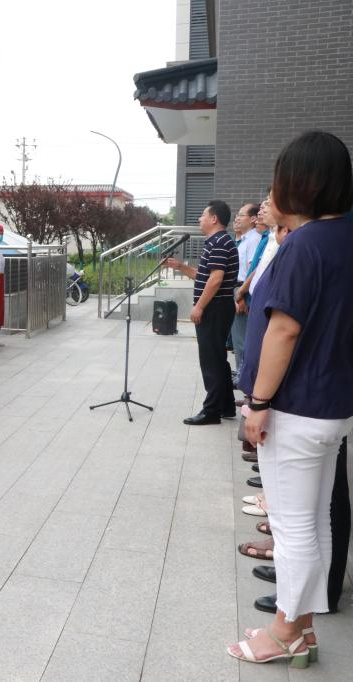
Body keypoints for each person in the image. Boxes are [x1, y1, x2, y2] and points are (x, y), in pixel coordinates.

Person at [230, 131, 353, 668]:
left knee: (293, 525)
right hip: (329, 403)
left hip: (296, 405)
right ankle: (301, 626)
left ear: (300, 182)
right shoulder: (342, 236)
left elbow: (284, 329)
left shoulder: (307, 244)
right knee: (315, 520)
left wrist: (258, 403)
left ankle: (285, 632)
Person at [167, 200, 239, 425]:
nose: (199, 219)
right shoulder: (218, 242)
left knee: (210, 360)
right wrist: (181, 267)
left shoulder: (219, 242)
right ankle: (225, 405)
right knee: (217, 358)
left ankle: (211, 411)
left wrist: (199, 306)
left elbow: (216, 279)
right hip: (218, 307)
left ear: (214, 219)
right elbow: (205, 277)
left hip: (215, 308)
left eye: (203, 215)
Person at [230, 203, 260, 379]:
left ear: (253, 219)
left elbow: (252, 271)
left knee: (241, 337)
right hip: (238, 288)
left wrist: (241, 295)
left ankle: (243, 375)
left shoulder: (254, 239)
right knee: (238, 335)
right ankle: (241, 371)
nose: (237, 218)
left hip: (243, 290)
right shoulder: (244, 239)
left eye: (241, 215)